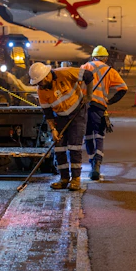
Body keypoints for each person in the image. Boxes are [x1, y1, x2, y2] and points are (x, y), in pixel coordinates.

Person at [29, 62, 94, 191]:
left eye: (40, 82)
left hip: (77, 113)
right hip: (60, 117)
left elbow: (89, 75)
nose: (39, 85)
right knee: (59, 148)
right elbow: (47, 113)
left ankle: (75, 179)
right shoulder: (41, 91)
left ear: (46, 76)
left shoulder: (65, 73)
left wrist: (89, 95)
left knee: (74, 147)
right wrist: (53, 130)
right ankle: (64, 179)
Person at [81, 45, 128, 180]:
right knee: (99, 135)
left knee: (88, 135)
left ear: (93, 57)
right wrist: (110, 101)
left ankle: (91, 163)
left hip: (85, 106)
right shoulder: (110, 71)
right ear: (106, 59)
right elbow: (123, 88)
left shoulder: (85, 67)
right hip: (100, 107)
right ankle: (98, 164)